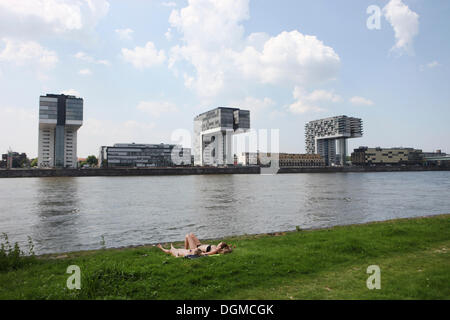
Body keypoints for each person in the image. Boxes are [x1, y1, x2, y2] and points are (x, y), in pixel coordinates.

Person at [157, 233, 233, 258]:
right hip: (199, 245)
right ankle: (185, 249)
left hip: (196, 248)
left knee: (187, 236)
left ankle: (186, 249)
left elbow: (205, 254)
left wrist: (217, 250)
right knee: (191, 234)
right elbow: (226, 247)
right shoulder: (216, 247)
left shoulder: (214, 250)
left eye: (220, 243)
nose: (219, 243)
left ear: (220, 248)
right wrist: (228, 247)